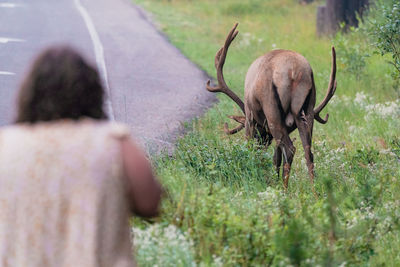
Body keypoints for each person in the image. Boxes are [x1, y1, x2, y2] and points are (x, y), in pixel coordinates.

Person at [0, 46, 163, 266]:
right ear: (92, 93)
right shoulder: (115, 143)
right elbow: (150, 204)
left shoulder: (6, 144)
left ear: (29, 93)